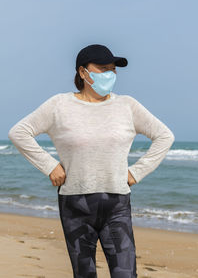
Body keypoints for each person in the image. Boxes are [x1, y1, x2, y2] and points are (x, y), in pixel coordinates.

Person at [8, 43, 175, 278]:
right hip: (75, 204)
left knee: (125, 274)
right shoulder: (60, 105)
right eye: (104, 68)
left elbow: (165, 136)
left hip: (116, 204)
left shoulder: (127, 106)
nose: (111, 74)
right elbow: (19, 132)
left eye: (113, 69)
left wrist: (136, 172)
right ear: (83, 72)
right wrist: (50, 166)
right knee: (84, 274)